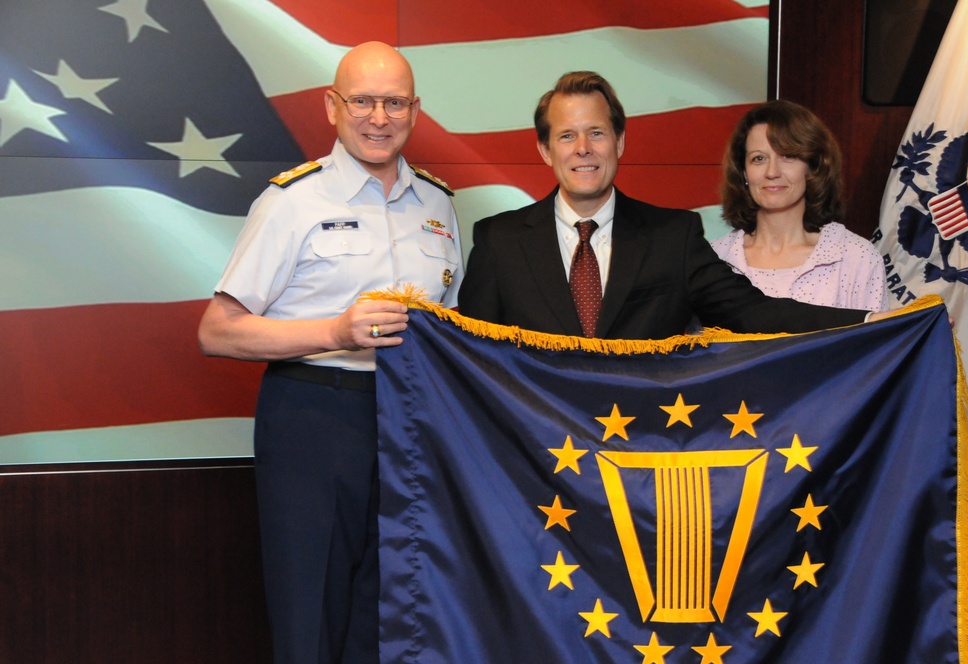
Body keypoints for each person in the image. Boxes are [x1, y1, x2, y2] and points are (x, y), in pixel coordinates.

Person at [197, 41, 463, 664]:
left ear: (415, 110)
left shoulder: (439, 204)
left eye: (394, 102)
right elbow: (217, 330)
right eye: (362, 100)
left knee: (395, 606)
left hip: (411, 426)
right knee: (310, 608)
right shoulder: (292, 201)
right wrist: (334, 332)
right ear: (331, 107)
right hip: (316, 413)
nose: (378, 117)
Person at [458, 71, 883, 338]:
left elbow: (753, 311)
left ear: (620, 142)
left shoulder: (673, 237)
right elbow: (467, 355)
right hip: (531, 465)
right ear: (545, 150)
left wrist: (868, 323)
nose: (583, 149)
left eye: (597, 133)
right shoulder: (500, 241)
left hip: (641, 463)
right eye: (567, 136)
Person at [712, 100, 888, 311]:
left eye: (787, 157)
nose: (772, 172)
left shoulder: (856, 258)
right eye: (758, 158)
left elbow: (879, 342)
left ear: (812, 167)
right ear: (743, 172)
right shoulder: (713, 259)